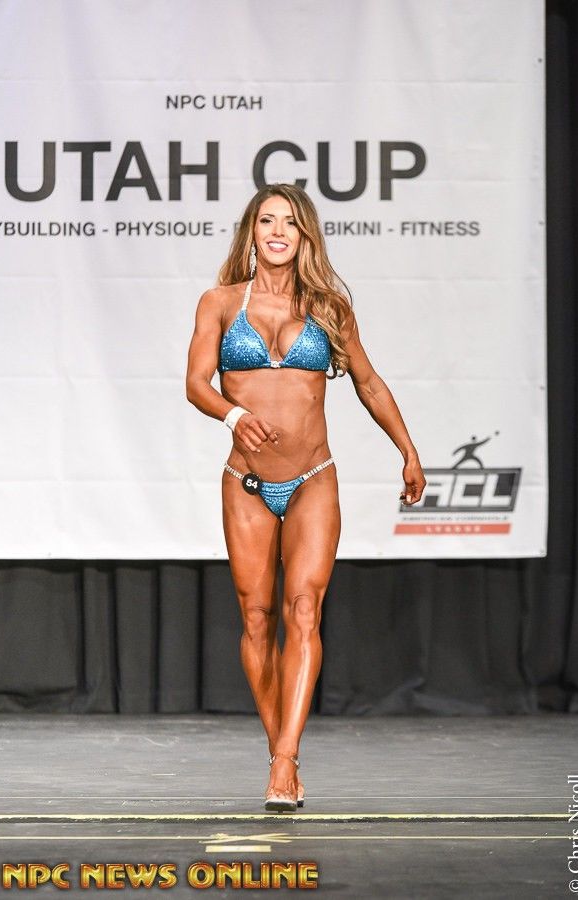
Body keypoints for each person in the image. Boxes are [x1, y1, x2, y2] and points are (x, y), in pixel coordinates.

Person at [185, 183, 426, 812]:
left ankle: (284, 762)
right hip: (246, 481)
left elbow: (368, 383)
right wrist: (235, 415)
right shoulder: (220, 302)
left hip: (312, 476)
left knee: (303, 611)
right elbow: (195, 383)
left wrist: (407, 449)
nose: (277, 232)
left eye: (290, 223)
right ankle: (281, 751)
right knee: (256, 618)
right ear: (251, 231)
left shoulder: (329, 307)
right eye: (267, 220)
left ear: (305, 235)